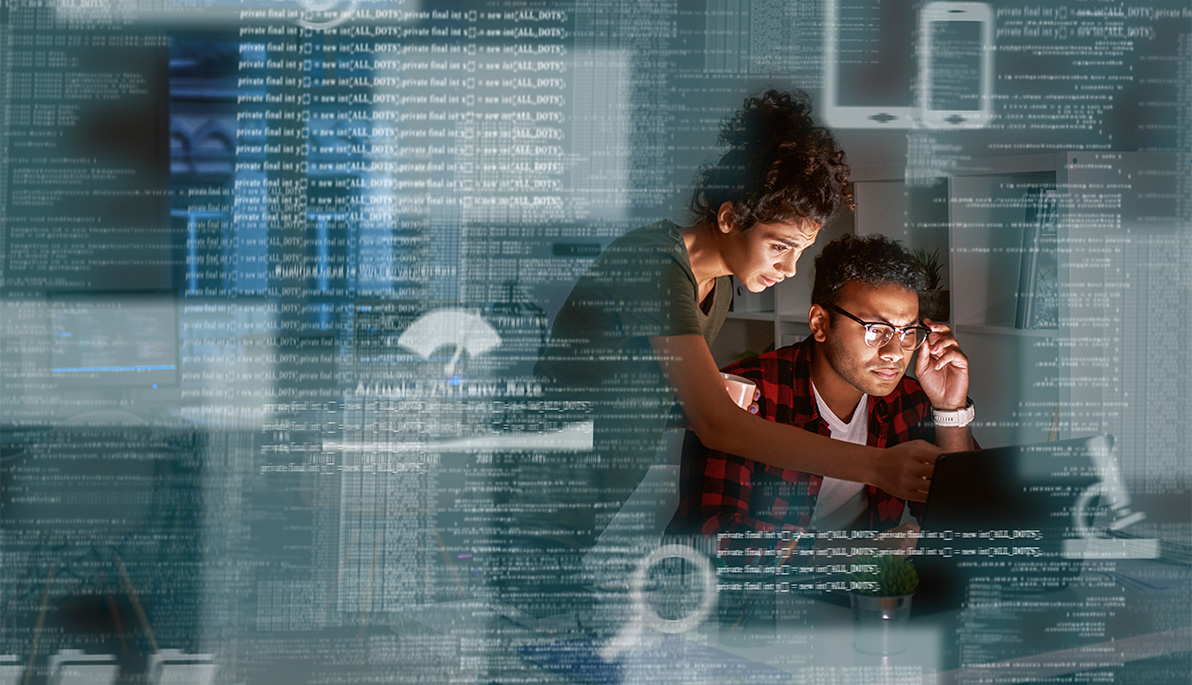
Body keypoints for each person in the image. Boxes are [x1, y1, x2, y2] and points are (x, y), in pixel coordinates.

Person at [668, 234, 974, 545]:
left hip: (861, 591)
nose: (895, 352)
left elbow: (963, 523)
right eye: (875, 330)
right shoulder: (748, 394)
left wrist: (950, 409)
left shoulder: (908, 400)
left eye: (908, 331)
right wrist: (851, 553)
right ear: (820, 323)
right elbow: (707, 537)